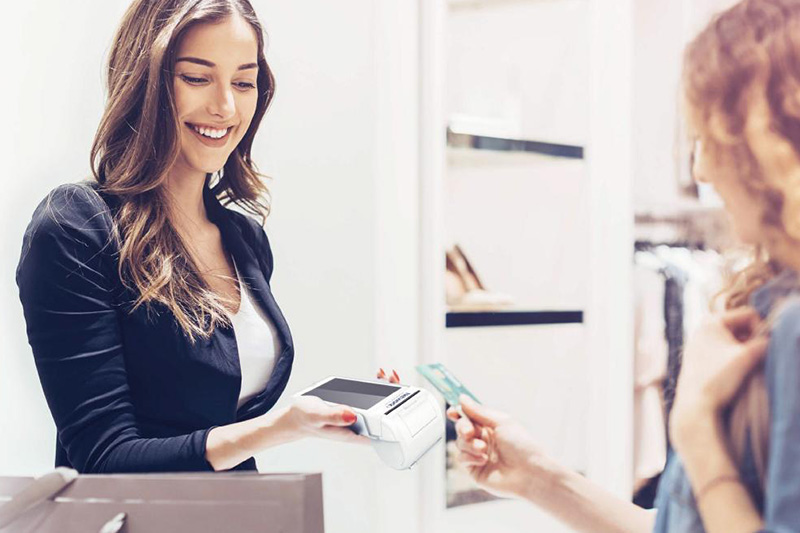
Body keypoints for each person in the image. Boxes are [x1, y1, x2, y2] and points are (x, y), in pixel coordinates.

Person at [450, 0, 800, 531]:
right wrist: (537, 475)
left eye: (711, 140)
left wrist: (698, 435)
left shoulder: (791, 328)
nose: (702, 166)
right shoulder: (767, 304)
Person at [15, 0, 385, 474]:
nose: (225, 106)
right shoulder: (75, 227)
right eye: (197, 77)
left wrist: (323, 415)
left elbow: (218, 409)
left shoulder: (243, 237)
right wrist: (282, 427)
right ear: (144, 80)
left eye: (243, 82)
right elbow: (104, 457)